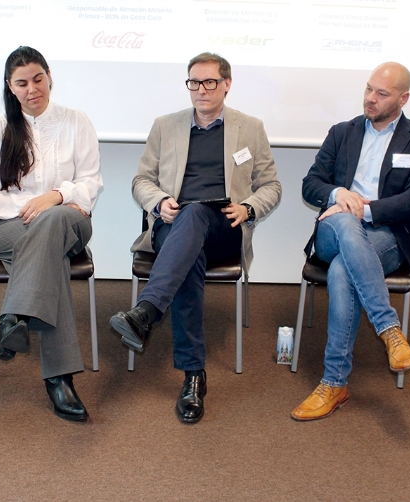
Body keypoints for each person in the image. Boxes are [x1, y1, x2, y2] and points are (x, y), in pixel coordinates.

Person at [109, 52, 281, 424]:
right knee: (189, 246)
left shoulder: (249, 127)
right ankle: (193, 376)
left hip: (224, 226)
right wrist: (158, 203)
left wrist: (248, 208)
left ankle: (148, 311)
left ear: (226, 85)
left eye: (210, 82)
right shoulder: (165, 126)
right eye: (194, 83)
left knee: (198, 213)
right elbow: (142, 180)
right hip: (174, 224)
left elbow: (271, 186)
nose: (201, 90)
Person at [291, 62, 410, 421]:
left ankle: (334, 383)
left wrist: (365, 211)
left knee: (343, 270)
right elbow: (311, 184)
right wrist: (340, 195)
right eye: (369, 89)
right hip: (333, 230)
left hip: (386, 235)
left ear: (403, 98)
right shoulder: (342, 133)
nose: (370, 98)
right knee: (342, 219)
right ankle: (390, 330)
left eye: (381, 93)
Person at [0, 46, 102, 422]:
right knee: (52, 255)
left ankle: (15, 314)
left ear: (49, 77)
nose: (32, 89)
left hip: (69, 220)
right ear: (10, 88)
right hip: (7, 226)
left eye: (38, 79)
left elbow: (90, 182)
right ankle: (59, 378)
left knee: (54, 222)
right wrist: (30, 207)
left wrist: (56, 197)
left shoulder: (77, 121)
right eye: (22, 83)